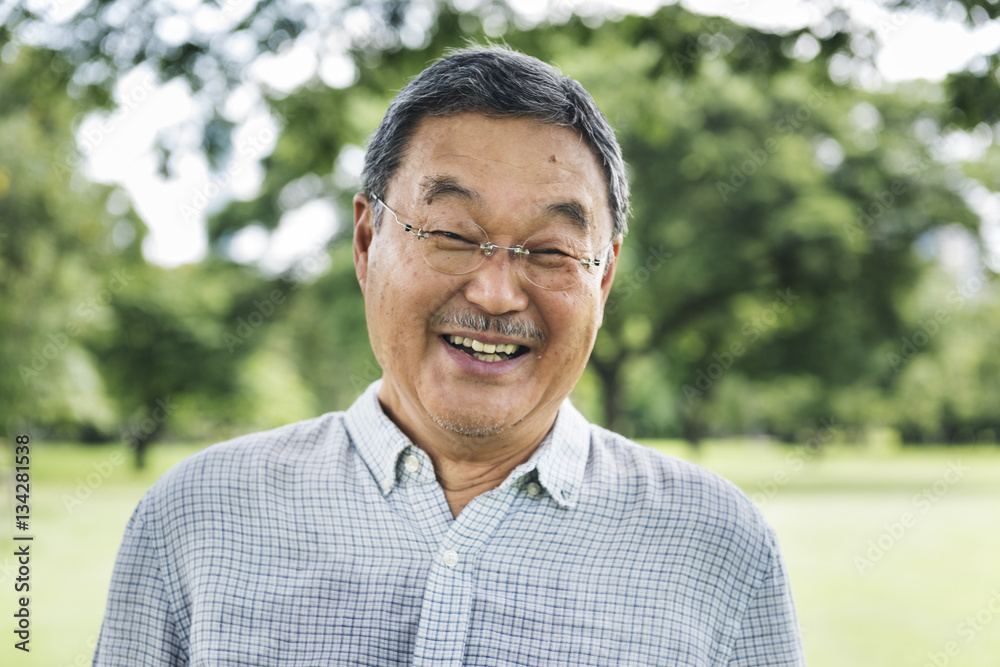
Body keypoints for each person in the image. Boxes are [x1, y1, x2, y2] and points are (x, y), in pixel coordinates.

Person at [94, 45, 806, 666]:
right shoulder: (195, 519)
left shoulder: (719, 548)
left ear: (604, 276)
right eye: (452, 233)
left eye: (552, 251)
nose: (496, 294)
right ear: (368, 241)